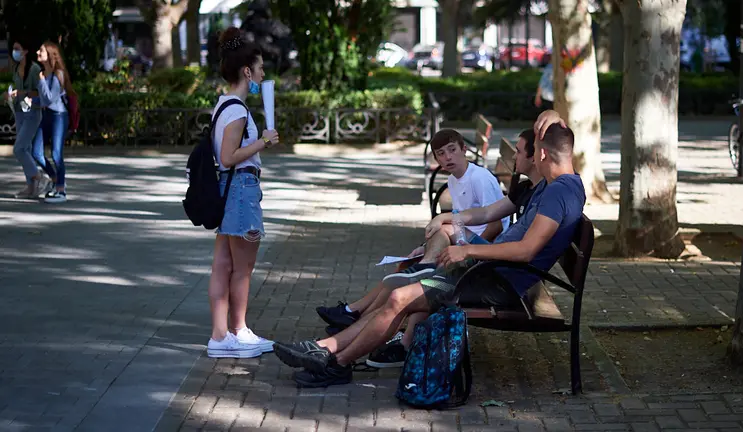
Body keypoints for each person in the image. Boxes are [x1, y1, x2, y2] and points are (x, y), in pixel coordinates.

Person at [273, 110, 586, 388]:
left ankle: (337, 364)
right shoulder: (554, 184)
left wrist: (469, 252)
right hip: (483, 274)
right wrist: (553, 114)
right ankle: (325, 348)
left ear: (541, 155)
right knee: (402, 289)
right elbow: (552, 147)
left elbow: (526, 251)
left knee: (400, 296)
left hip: (495, 282)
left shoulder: (559, 192)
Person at [318, 128, 545, 369]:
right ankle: (353, 333)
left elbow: (503, 232)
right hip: (481, 265)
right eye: (440, 154)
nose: (513, 157)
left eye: (518, 152)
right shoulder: (525, 190)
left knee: (408, 288)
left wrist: (465, 247)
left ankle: (344, 348)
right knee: (407, 278)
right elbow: (486, 215)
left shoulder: (511, 186)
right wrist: (442, 232)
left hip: (485, 270)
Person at [205, 27, 281, 359]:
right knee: (242, 267)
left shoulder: (224, 106)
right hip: (241, 190)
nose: (263, 74)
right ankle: (239, 331)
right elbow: (227, 157)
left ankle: (220, 336)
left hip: (229, 192)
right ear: (247, 71)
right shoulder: (237, 110)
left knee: (223, 265)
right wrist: (264, 141)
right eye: (260, 69)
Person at [4, 40, 49, 199]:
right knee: (26, 149)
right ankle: (31, 187)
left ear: (25, 51)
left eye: (17, 49)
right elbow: (18, 92)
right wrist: (9, 96)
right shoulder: (16, 69)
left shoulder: (35, 69)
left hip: (33, 113)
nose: (14, 52)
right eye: (13, 49)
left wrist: (22, 93)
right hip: (20, 112)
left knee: (19, 149)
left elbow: (41, 94)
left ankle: (38, 176)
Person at [35, 41, 72, 203]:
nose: (37, 52)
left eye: (41, 51)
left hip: (59, 117)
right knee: (36, 152)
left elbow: (50, 98)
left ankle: (61, 190)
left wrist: (41, 81)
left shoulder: (58, 74)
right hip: (47, 115)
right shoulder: (45, 74)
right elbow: (43, 100)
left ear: (49, 54)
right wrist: (28, 100)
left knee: (56, 153)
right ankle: (56, 178)